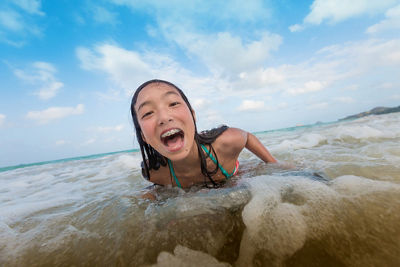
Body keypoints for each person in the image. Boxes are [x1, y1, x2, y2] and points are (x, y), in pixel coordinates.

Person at [130, 79, 277, 191]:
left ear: (193, 115)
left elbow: (247, 137)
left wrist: (273, 163)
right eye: (148, 113)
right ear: (143, 135)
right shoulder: (154, 173)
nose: (164, 118)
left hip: (234, 174)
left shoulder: (226, 142)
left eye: (173, 104)